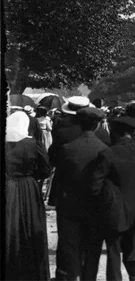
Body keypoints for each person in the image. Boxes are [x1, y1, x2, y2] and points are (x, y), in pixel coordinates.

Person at [90, 115, 135, 281]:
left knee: (113, 250)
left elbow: (95, 185)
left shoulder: (108, 154)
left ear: (115, 132)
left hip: (115, 210)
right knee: (131, 248)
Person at [54, 105, 108, 281]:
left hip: (70, 205)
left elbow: (60, 178)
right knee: (92, 248)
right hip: (95, 206)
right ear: (98, 125)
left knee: (70, 247)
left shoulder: (68, 148)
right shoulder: (104, 148)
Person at [6, 110, 52, 281]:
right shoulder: (33, 144)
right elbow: (45, 170)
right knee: (31, 226)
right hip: (28, 188)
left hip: (8, 187)